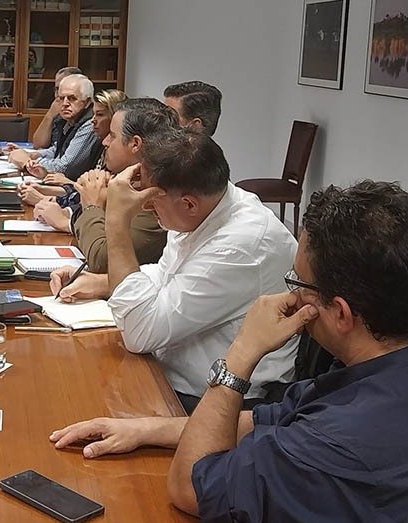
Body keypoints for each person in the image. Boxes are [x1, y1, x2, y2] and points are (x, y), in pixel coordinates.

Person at [145, 180, 408, 521]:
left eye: (298, 281)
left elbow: (191, 487)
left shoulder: (329, 443)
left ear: (341, 314)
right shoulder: (371, 369)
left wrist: (241, 353)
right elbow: (267, 420)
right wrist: (146, 430)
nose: (292, 294)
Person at [49, 128, 297, 412]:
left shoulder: (241, 244)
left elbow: (140, 333)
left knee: (68, 399)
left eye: (151, 203)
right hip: (171, 370)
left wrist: (116, 221)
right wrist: (104, 282)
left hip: (217, 401)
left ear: (189, 204)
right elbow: (169, 274)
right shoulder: (206, 205)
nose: (145, 207)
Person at [35, 98, 172, 273]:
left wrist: (92, 205)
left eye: (112, 136)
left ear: (135, 144)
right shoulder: (128, 181)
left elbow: (102, 261)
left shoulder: (154, 195)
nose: (105, 142)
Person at [20, 89, 128, 234]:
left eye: (100, 115)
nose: (93, 120)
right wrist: (49, 192)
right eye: (59, 96)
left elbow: (98, 201)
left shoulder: (119, 156)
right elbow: (84, 191)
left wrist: (51, 201)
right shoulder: (100, 143)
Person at [6, 74, 101, 183]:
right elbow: (58, 150)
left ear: (87, 102)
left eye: (72, 98)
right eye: (61, 98)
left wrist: (28, 161)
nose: (65, 104)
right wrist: (33, 154)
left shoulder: (89, 124)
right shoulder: (68, 119)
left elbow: (64, 167)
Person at [27, 66, 83, 149]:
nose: (59, 94)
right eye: (57, 89)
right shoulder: (57, 114)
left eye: (63, 88)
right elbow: (39, 144)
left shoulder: (83, 120)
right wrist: (50, 115)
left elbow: (65, 158)